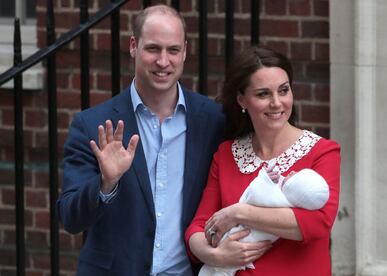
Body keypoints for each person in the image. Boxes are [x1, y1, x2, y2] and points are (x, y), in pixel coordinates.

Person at [57, 4, 225, 275]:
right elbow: (70, 218)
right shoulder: (91, 125)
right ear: (134, 46)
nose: (163, 61)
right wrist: (105, 184)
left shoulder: (213, 120)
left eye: (172, 50)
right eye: (152, 49)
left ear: (185, 51)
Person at [185, 46, 341, 276]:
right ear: (242, 100)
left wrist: (239, 213)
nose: (277, 103)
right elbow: (197, 227)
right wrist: (215, 256)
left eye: (283, 90)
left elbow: (318, 223)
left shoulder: (322, 151)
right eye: (263, 94)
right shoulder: (227, 154)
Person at [198, 166, 330, 276]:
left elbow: (256, 193)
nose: (293, 172)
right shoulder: (292, 205)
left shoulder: (277, 199)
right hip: (228, 252)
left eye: (295, 176)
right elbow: (197, 224)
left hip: (240, 239)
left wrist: (265, 178)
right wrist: (215, 255)